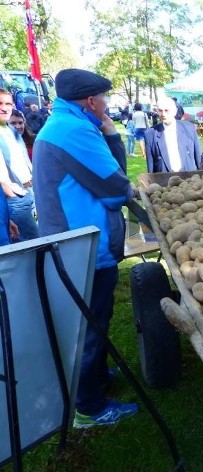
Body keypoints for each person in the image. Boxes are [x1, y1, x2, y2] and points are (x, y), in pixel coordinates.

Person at [32, 68, 138, 428]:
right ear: (91, 101)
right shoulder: (76, 130)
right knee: (89, 326)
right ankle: (89, 408)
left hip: (71, 243)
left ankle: (94, 378)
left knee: (92, 321)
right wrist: (113, 135)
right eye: (104, 98)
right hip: (82, 248)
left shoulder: (62, 123)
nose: (107, 105)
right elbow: (115, 187)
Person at [0, 89, 39, 242]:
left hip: (28, 192)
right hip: (14, 199)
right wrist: (11, 193)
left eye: (8, 103)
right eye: (0, 103)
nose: (4, 108)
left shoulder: (10, 130)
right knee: (35, 245)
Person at [144, 96, 201, 173]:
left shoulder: (189, 128)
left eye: (166, 110)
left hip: (190, 179)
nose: (163, 114)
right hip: (164, 181)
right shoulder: (150, 134)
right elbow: (151, 166)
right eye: (160, 111)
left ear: (175, 111)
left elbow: (198, 158)